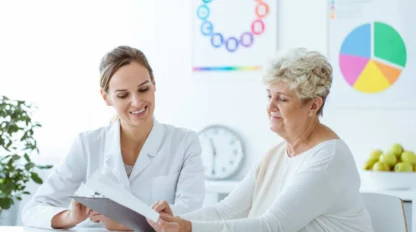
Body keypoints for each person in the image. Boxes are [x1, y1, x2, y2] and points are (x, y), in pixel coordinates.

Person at [146, 48, 374, 232]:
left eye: (282, 99)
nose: (270, 106)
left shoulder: (327, 159)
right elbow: (224, 211)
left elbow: (272, 226)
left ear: (313, 105)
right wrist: (174, 219)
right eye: (269, 96)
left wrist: (187, 228)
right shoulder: (276, 155)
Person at [21, 45, 205, 230]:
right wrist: (70, 216)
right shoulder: (87, 144)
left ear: (154, 84)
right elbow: (33, 210)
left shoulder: (184, 142)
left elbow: (192, 214)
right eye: (123, 95)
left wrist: (124, 223)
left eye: (143, 89)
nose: (136, 102)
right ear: (106, 97)